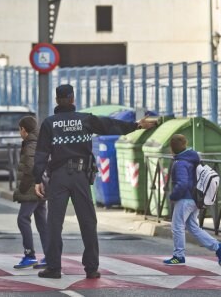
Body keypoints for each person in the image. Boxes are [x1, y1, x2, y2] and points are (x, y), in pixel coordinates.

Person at [33, 84, 157, 279]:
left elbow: (41, 153)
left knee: (54, 223)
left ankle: (54, 268)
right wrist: (137, 125)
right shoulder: (85, 119)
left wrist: (37, 178)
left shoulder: (49, 123)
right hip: (81, 176)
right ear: (73, 98)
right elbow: (111, 125)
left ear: (57, 100)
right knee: (88, 222)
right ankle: (91, 268)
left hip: (58, 177)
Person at [163, 134, 221, 266]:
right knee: (193, 227)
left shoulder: (180, 162)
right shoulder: (192, 158)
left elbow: (182, 183)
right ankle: (218, 247)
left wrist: (173, 196)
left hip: (185, 199)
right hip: (194, 198)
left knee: (177, 226)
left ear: (173, 148)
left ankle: (178, 256)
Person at [13, 116, 48, 269]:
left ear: (24, 130)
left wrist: (22, 187)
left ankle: (29, 255)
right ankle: (50, 255)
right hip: (40, 188)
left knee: (23, 219)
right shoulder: (37, 142)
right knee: (42, 222)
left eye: (19, 130)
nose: (19, 133)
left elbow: (33, 168)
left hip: (32, 189)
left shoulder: (30, 145)